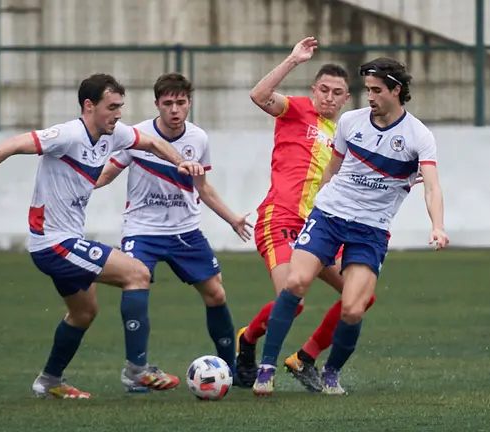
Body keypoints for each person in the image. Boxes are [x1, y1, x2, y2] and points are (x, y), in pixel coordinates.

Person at [0, 73, 204, 399]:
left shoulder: (112, 133)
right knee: (138, 273)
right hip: (53, 242)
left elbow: (151, 142)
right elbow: (9, 146)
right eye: (112, 107)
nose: (118, 114)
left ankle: (49, 381)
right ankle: (137, 370)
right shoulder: (66, 134)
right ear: (89, 106)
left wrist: (182, 162)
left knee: (83, 312)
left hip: (65, 240)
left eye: (120, 106)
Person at [252, 57, 449, 396]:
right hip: (329, 217)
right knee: (296, 282)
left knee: (355, 307)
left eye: (375, 91)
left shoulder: (418, 136)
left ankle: (329, 372)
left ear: (395, 91)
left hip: (371, 230)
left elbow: (432, 185)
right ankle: (266, 370)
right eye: (367, 90)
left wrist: (438, 225)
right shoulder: (351, 122)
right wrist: (320, 205)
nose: (369, 97)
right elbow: (333, 168)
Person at [235, 36, 379, 392]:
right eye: (324, 90)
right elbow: (258, 95)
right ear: (314, 91)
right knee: (291, 297)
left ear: (347, 99)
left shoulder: (347, 132)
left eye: (337, 93)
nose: (329, 98)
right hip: (281, 219)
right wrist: (293, 60)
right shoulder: (297, 109)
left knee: (360, 295)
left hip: (322, 226)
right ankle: (248, 339)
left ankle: (304, 358)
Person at [95, 72, 253, 389]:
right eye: (168, 103)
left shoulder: (198, 139)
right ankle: (136, 372)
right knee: (134, 284)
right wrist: (78, 185)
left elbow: (203, 187)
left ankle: (230, 368)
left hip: (185, 232)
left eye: (180, 103)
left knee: (216, 293)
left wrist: (232, 218)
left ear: (189, 103)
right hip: (142, 230)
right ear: (157, 104)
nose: (174, 110)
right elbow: (107, 173)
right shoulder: (135, 134)